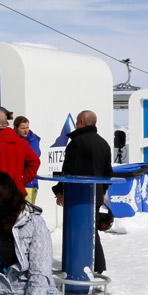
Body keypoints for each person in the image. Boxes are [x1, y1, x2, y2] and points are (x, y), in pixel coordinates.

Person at [52, 110, 113, 274]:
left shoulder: (76, 143)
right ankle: (96, 266)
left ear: (81, 122)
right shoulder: (103, 143)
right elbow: (108, 172)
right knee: (91, 230)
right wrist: (103, 191)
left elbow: (69, 171)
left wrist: (60, 191)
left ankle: (83, 267)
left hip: (77, 196)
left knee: (79, 231)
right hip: (96, 194)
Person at [0, 106, 40, 195]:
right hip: (17, 192)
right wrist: (21, 181)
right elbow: (35, 161)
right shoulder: (21, 143)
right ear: (7, 124)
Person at [13, 115, 41, 204]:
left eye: (27, 127)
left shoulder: (33, 140)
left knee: (27, 213)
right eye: (23, 128)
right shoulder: (11, 138)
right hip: (13, 183)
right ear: (16, 128)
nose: (26, 130)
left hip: (29, 183)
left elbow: (32, 159)